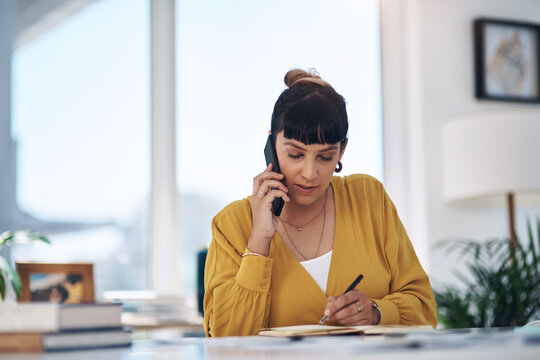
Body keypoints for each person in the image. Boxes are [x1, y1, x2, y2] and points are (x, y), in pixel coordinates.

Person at [203, 69, 437, 337]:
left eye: (325, 157)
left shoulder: (369, 198)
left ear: (342, 150)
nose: (310, 173)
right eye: (295, 154)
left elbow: (424, 310)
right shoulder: (231, 224)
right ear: (271, 143)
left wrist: (375, 312)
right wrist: (259, 241)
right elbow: (224, 340)